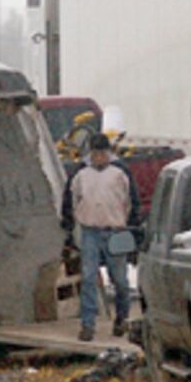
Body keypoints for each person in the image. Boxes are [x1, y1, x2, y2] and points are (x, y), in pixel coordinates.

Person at [60, 133, 141, 341]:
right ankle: (88, 325)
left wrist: (131, 227)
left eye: (102, 153)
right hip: (90, 232)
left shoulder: (120, 172)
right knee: (88, 278)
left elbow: (133, 201)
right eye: (95, 154)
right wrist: (68, 226)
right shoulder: (81, 173)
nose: (98, 158)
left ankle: (121, 318)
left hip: (116, 231)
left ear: (108, 153)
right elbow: (69, 199)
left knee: (120, 280)